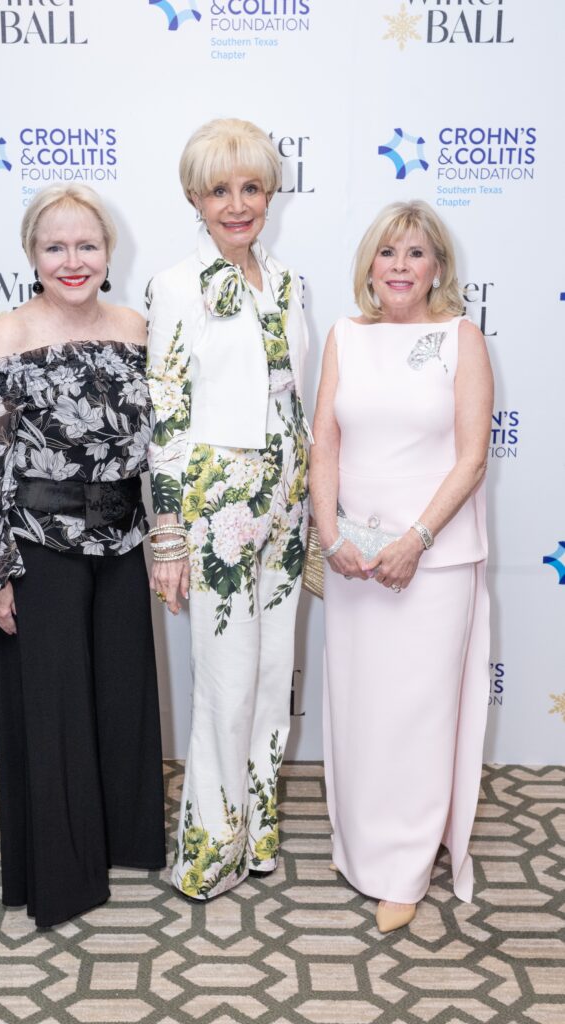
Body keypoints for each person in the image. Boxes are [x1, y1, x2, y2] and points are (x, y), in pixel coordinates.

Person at [0, 184, 165, 928]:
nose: (72, 261)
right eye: (55, 247)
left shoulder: (137, 327)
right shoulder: (5, 337)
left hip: (122, 541)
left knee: (121, 697)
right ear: (30, 256)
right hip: (38, 546)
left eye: (86, 245)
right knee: (52, 713)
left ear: (108, 253)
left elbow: (160, 447)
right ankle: (62, 879)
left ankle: (126, 842)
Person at [310, 200, 492, 933]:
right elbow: (323, 442)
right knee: (359, 709)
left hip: (433, 560)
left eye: (414, 254)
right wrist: (328, 536)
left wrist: (416, 539)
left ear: (437, 268)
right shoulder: (342, 338)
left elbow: (471, 458)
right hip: (354, 559)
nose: (399, 267)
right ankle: (358, 845)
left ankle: (406, 868)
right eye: (386, 253)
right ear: (368, 266)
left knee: (416, 716)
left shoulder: (461, 337)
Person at [146, 118, 312, 899]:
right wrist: (170, 534)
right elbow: (166, 413)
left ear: (271, 194)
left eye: (251, 188)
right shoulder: (176, 285)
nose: (238, 205)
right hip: (215, 505)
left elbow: (298, 401)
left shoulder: (285, 280)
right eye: (220, 190)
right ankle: (210, 850)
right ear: (194, 197)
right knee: (225, 679)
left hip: (285, 503)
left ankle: (258, 828)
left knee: (274, 670)